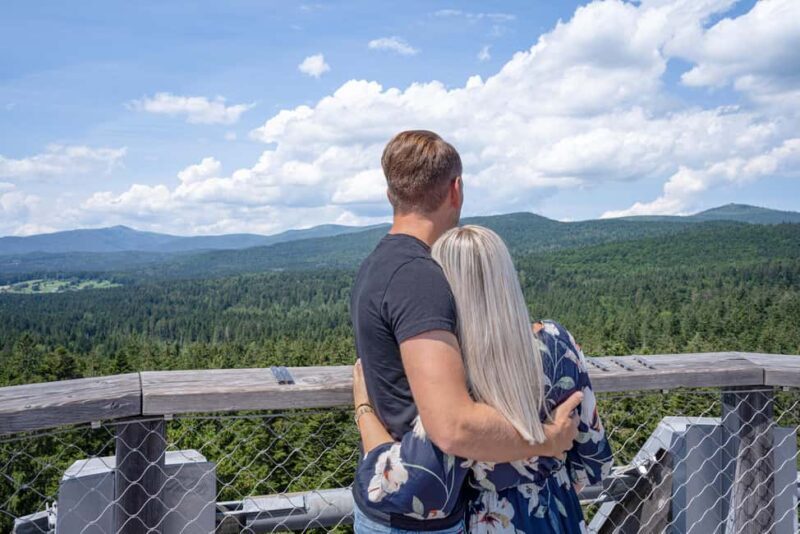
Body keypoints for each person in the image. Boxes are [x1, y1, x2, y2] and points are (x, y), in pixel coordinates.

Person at [350, 130, 583, 533]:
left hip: (396, 500)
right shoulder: (418, 278)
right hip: (419, 517)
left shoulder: (377, 264)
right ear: (456, 190)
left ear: (391, 194)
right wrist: (549, 439)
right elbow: (454, 426)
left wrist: (364, 411)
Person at [352, 225, 613, 532]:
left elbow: (402, 483)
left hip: (488, 520)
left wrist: (364, 410)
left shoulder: (454, 376)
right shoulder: (558, 343)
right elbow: (594, 462)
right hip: (558, 512)